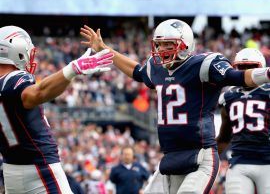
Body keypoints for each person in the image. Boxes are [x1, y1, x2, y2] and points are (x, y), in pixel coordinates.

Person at [80, 19, 270, 194]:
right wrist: (105, 50)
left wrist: (267, 73)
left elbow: (238, 77)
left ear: (184, 44)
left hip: (200, 155)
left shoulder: (203, 65)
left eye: (168, 44)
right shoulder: (156, 68)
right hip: (171, 157)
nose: (162, 49)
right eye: (159, 44)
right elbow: (137, 71)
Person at [0, 25, 113, 193]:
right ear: (16, 50)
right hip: (40, 170)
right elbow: (37, 93)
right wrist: (72, 69)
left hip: (11, 170)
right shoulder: (13, 79)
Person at [217, 48, 270, 194]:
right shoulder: (229, 97)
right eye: (242, 67)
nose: (246, 72)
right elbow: (223, 138)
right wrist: (208, 159)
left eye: (251, 67)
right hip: (239, 162)